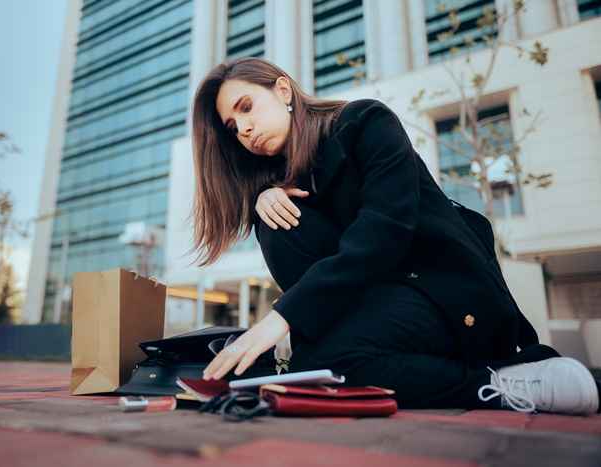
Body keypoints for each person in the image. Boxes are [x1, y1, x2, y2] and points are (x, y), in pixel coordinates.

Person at [190, 57, 599, 415]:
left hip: (446, 295)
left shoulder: (365, 122)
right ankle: (365, 351)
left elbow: (383, 231)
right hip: (381, 308)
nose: (244, 129)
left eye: (246, 108)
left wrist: (283, 317)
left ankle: (498, 383)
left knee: (327, 360)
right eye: (232, 127)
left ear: (282, 90)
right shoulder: (286, 188)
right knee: (309, 356)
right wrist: (264, 195)